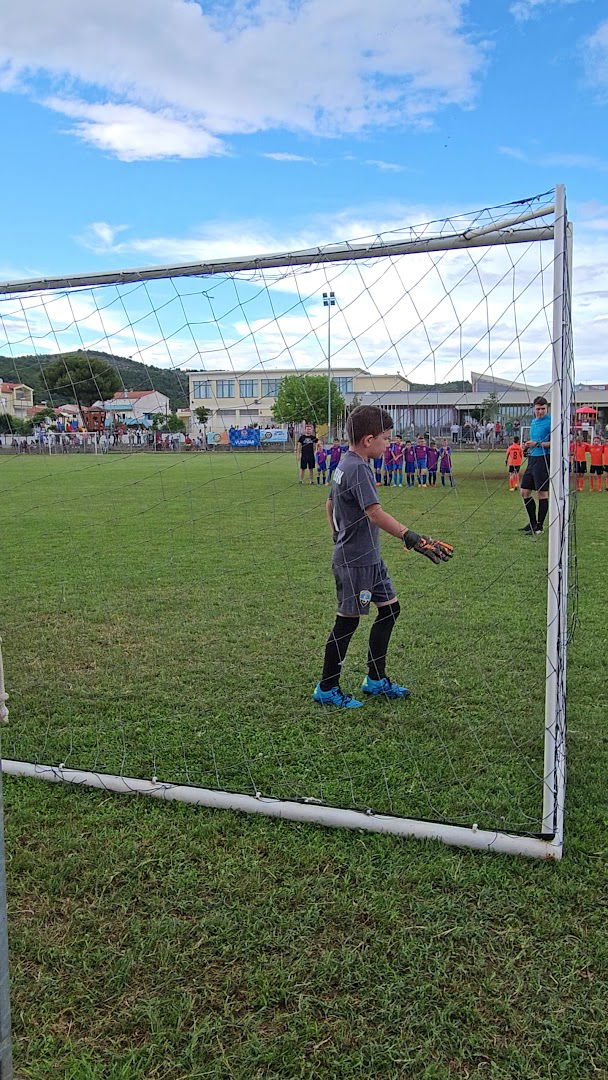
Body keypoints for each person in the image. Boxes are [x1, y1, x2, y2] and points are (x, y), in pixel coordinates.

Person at [313, 405, 454, 709]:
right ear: (368, 439)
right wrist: (411, 537)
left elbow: (328, 503)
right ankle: (327, 687)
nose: (388, 444)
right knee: (347, 622)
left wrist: (336, 535)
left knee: (390, 611)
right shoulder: (359, 468)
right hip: (356, 562)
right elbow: (375, 514)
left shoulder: (345, 463)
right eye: (385, 439)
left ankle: (375, 679)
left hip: (370, 558)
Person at [520, 396, 552, 535]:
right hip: (532, 459)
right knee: (524, 491)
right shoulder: (533, 422)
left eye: (543, 409)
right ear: (534, 408)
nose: (540, 412)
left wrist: (537, 445)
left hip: (544, 459)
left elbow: (556, 443)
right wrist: (527, 446)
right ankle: (532, 523)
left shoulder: (551, 422)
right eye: (538, 409)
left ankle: (539, 526)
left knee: (542, 493)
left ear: (547, 408)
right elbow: (535, 441)